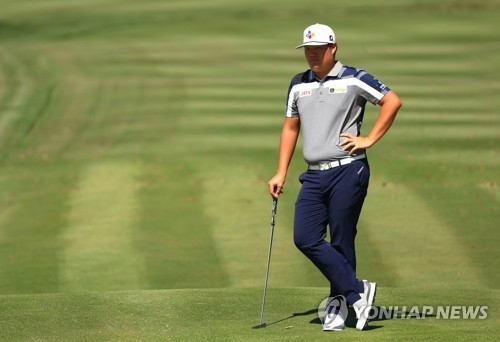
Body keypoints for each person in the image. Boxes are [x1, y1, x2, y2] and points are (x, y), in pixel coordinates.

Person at [267, 23, 402, 331]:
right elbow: (290, 127)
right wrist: (281, 171)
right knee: (305, 237)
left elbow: (392, 102)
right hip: (313, 176)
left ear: (333, 48)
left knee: (341, 239)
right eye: (308, 50)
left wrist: (369, 139)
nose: (312, 56)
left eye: (318, 50)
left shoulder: (355, 77)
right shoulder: (298, 83)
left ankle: (338, 308)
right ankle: (357, 290)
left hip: (348, 169)